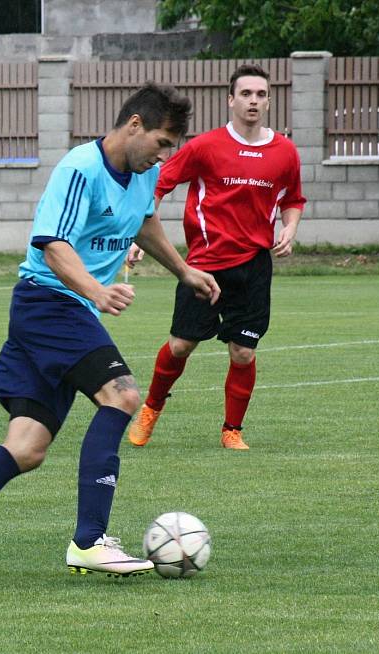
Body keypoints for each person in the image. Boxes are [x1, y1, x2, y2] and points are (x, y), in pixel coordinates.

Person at [0, 83, 220, 585]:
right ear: (135, 125)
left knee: (26, 448)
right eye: (161, 141)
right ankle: (90, 541)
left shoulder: (141, 175)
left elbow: (144, 223)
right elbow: (52, 246)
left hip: (66, 311)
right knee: (123, 395)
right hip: (49, 304)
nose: (163, 154)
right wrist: (98, 291)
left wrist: (183, 271)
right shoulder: (80, 169)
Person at [126, 64, 306, 451]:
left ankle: (232, 430)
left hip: (255, 265)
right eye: (246, 94)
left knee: (243, 351)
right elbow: (160, 183)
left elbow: (293, 199)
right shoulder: (205, 146)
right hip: (204, 264)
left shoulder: (285, 151)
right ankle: (151, 410)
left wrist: (290, 228)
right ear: (231, 100)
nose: (253, 100)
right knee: (180, 346)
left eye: (260, 94)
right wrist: (139, 232)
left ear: (269, 101)